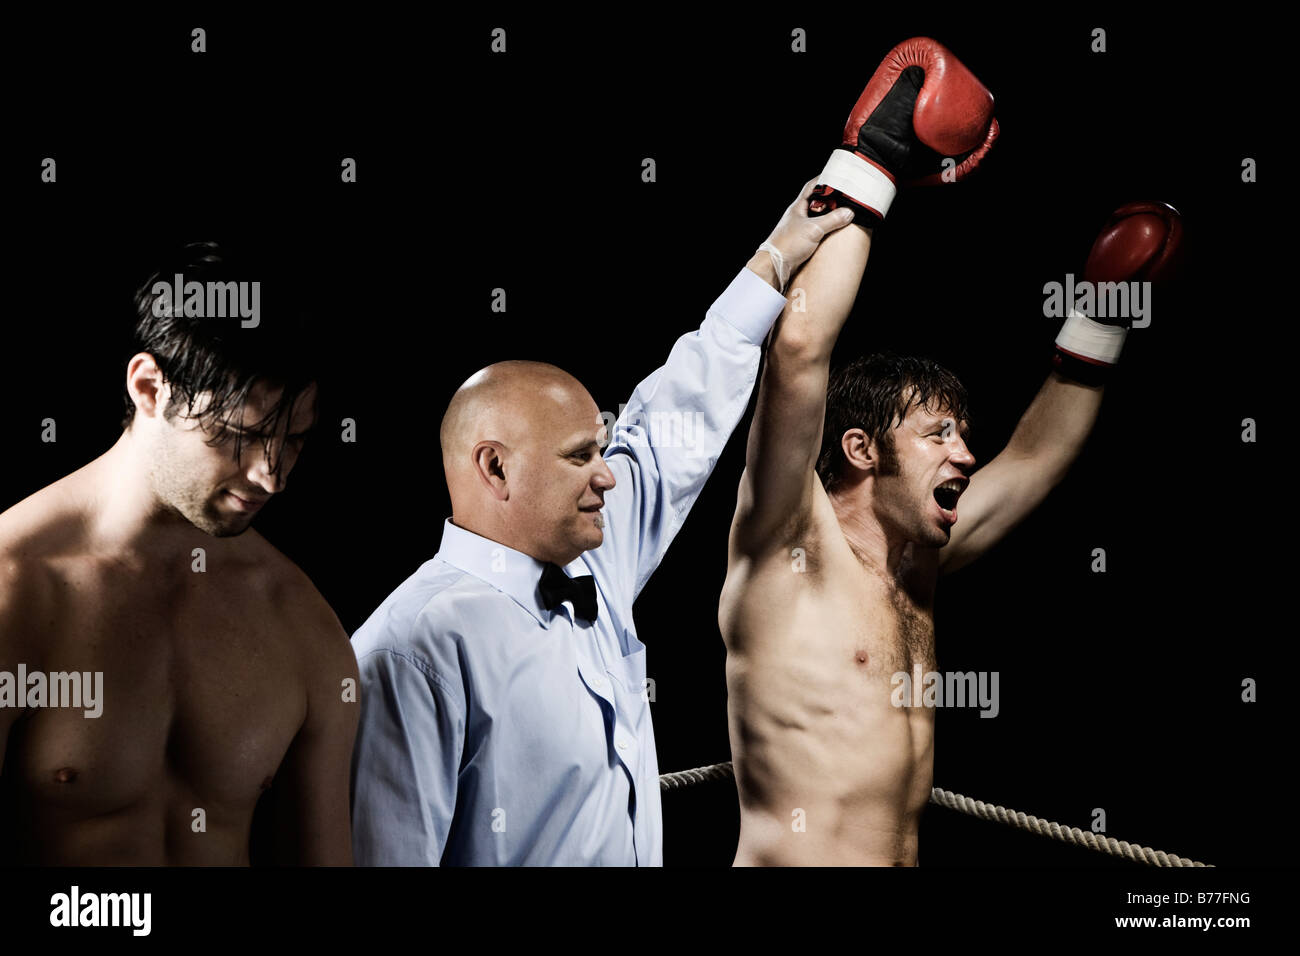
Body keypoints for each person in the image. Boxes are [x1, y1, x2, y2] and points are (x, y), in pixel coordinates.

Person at [718, 39, 1181, 865]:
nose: (966, 456)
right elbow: (798, 350)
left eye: (961, 436)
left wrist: (1102, 315)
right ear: (858, 449)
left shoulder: (916, 569)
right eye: (938, 435)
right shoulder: (788, 543)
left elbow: (1036, 457)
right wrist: (876, 160)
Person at [349, 182, 856, 865]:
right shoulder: (410, 649)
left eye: (601, 448)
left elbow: (678, 418)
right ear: (494, 469)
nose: (608, 473)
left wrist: (779, 250)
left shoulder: (590, 557)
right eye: (581, 456)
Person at [0, 242, 358, 865]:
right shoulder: (14, 589)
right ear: (148, 387)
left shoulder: (299, 621)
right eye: (241, 438)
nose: (272, 478)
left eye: (293, 441)